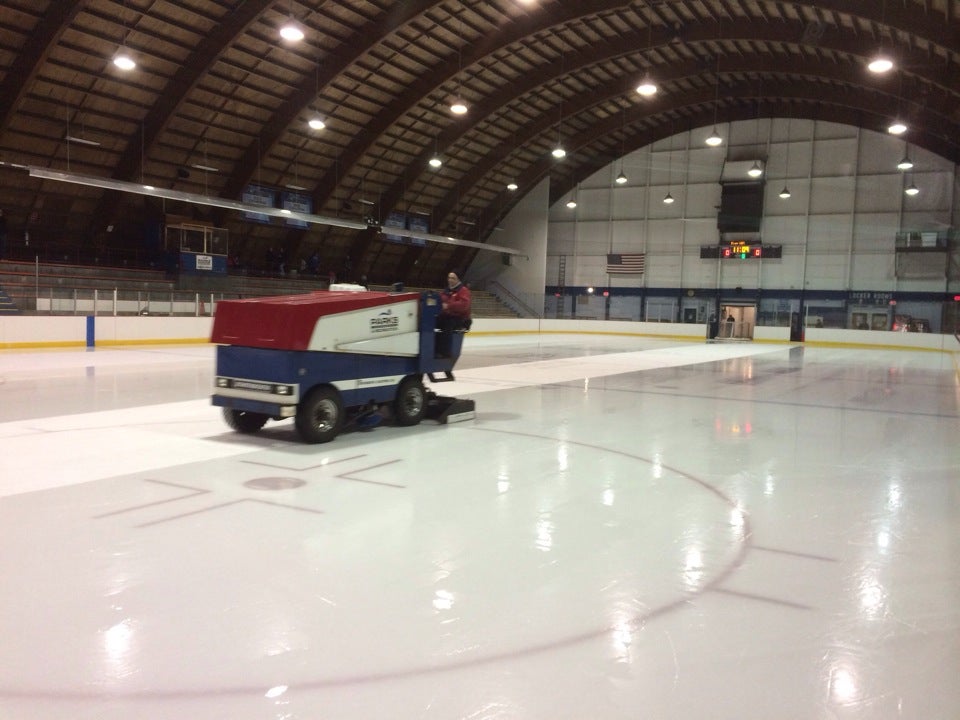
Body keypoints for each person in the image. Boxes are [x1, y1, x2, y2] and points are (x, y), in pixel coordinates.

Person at [436, 271, 472, 356]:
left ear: (458, 279)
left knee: (447, 324)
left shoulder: (463, 290)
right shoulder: (446, 291)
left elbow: (464, 305)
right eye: (449, 278)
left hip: (460, 318)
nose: (450, 280)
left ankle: (445, 352)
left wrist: (449, 306)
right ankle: (432, 348)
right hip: (447, 316)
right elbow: (439, 300)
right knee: (429, 322)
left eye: (453, 278)